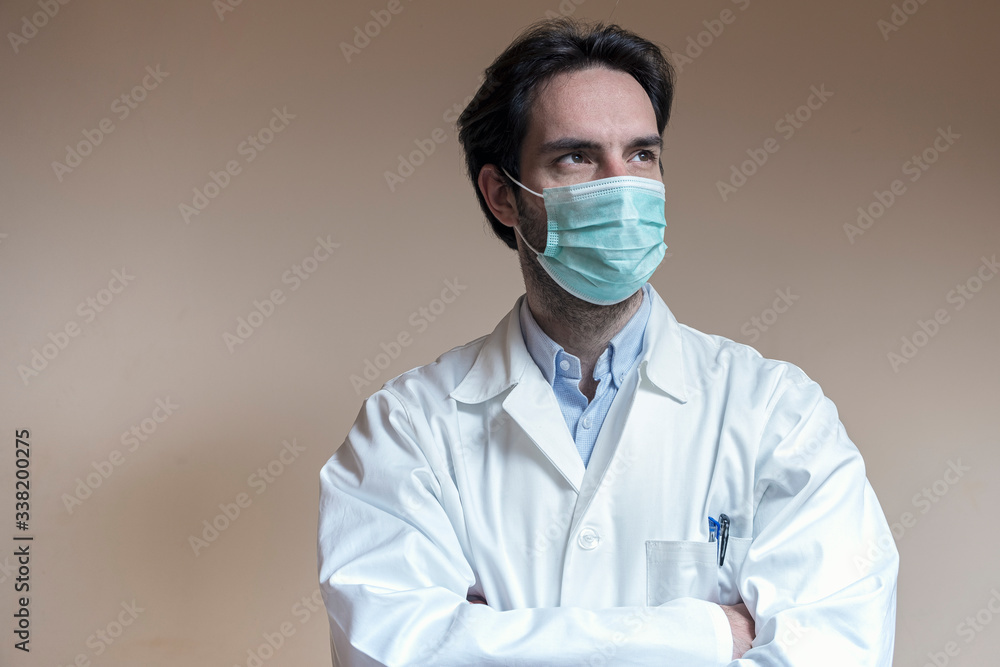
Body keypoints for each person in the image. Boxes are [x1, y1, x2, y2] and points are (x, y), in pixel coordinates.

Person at [318, 18, 898, 666]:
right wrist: (709, 634)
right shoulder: (407, 430)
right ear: (503, 196)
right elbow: (392, 652)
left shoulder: (778, 416)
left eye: (642, 155)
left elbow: (838, 649)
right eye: (578, 157)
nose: (622, 187)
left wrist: (487, 638)